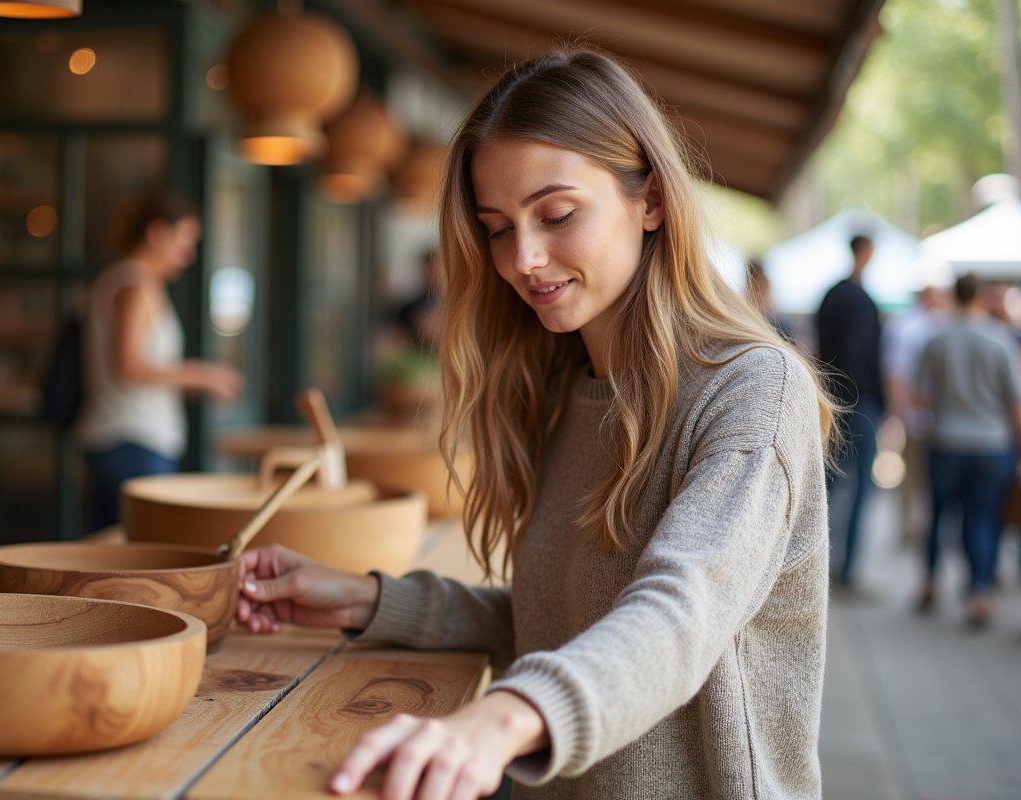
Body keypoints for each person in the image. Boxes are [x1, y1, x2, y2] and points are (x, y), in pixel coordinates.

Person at [235, 48, 837, 800]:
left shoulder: (750, 389)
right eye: (496, 227)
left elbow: (680, 615)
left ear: (650, 199)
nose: (522, 259)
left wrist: (497, 720)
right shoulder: (561, 385)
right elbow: (555, 619)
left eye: (556, 215)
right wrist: (366, 599)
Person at [77, 192, 244, 531]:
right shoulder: (137, 284)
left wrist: (182, 381)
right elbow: (128, 365)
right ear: (157, 234)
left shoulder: (122, 279)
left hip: (122, 439)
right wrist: (201, 375)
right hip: (132, 441)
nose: (188, 255)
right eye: (184, 242)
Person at [913, 274, 1021, 627]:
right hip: (991, 443)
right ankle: (978, 593)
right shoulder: (1001, 338)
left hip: (946, 439)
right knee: (984, 519)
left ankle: (930, 581)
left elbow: (920, 395)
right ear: (981, 296)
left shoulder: (937, 338)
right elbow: (1014, 402)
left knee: (939, 514)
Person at [816, 234, 884, 588]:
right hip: (858, 404)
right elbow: (858, 353)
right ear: (866, 251)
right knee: (858, 489)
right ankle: (848, 568)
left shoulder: (831, 295)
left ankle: (816, 564)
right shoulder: (859, 299)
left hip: (831, 401)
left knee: (825, 487)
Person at [882, 285, 948, 543]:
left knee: (928, 477)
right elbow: (895, 373)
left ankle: (924, 528)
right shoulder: (906, 327)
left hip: (938, 417)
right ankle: (910, 528)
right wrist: (898, 412)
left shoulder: (943, 324)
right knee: (912, 476)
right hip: (918, 415)